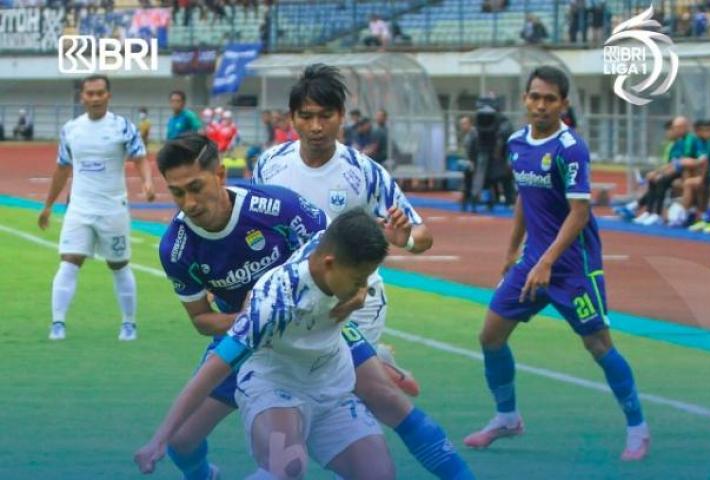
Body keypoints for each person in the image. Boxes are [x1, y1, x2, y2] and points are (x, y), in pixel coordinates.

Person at [154, 133, 474, 480]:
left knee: (390, 401)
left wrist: (359, 290)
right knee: (181, 441)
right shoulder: (176, 248)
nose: (188, 203)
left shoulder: (278, 207)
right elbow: (201, 319)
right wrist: (248, 319)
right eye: (177, 192)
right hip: (252, 338)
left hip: (319, 325)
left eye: (196, 187)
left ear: (219, 174)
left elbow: (341, 255)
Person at [253, 64, 474, 480]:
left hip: (357, 305)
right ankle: (377, 369)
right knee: (322, 393)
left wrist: (403, 237)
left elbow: (422, 235)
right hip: (298, 304)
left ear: (342, 116)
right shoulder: (270, 166)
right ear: (292, 118)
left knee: (373, 399)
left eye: (326, 116)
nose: (316, 126)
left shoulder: (364, 171)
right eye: (306, 116)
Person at [464, 66, 650, 461]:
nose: (541, 105)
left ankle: (638, 427)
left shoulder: (571, 148)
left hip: (573, 267)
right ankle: (507, 417)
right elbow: (524, 199)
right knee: (490, 336)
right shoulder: (516, 143)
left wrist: (547, 260)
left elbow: (579, 213)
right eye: (535, 97)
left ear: (563, 104)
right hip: (533, 262)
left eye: (550, 99)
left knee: (598, 345)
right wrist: (513, 252)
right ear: (525, 100)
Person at [136, 209, 396, 479]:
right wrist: (160, 438)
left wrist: (362, 279)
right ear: (329, 264)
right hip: (274, 384)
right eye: (358, 281)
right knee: (286, 469)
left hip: (331, 386)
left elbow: (346, 235)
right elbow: (213, 370)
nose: (362, 289)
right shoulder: (273, 305)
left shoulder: (328, 244)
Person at [37, 74, 155, 341]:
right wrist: (47, 206)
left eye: (100, 93)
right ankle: (57, 323)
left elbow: (140, 157)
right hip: (79, 208)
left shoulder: (123, 127)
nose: (95, 98)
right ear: (82, 97)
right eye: (90, 94)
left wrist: (148, 182)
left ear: (108, 96)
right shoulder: (71, 129)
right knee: (68, 261)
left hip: (113, 208)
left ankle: (129, 323)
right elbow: (61, 169)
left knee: (119, 265)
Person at [459, 115, 478, 211]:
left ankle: (472, 204)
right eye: (461, 124)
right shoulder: (466, 134)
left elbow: (474, 149)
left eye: (464, 123)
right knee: (467, 183)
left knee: (471, 184)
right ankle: (465, 204)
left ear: (470, 123)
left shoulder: (473, 134)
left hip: (472, 163)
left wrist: (473, 161)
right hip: (467, 163)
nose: (462, 126)